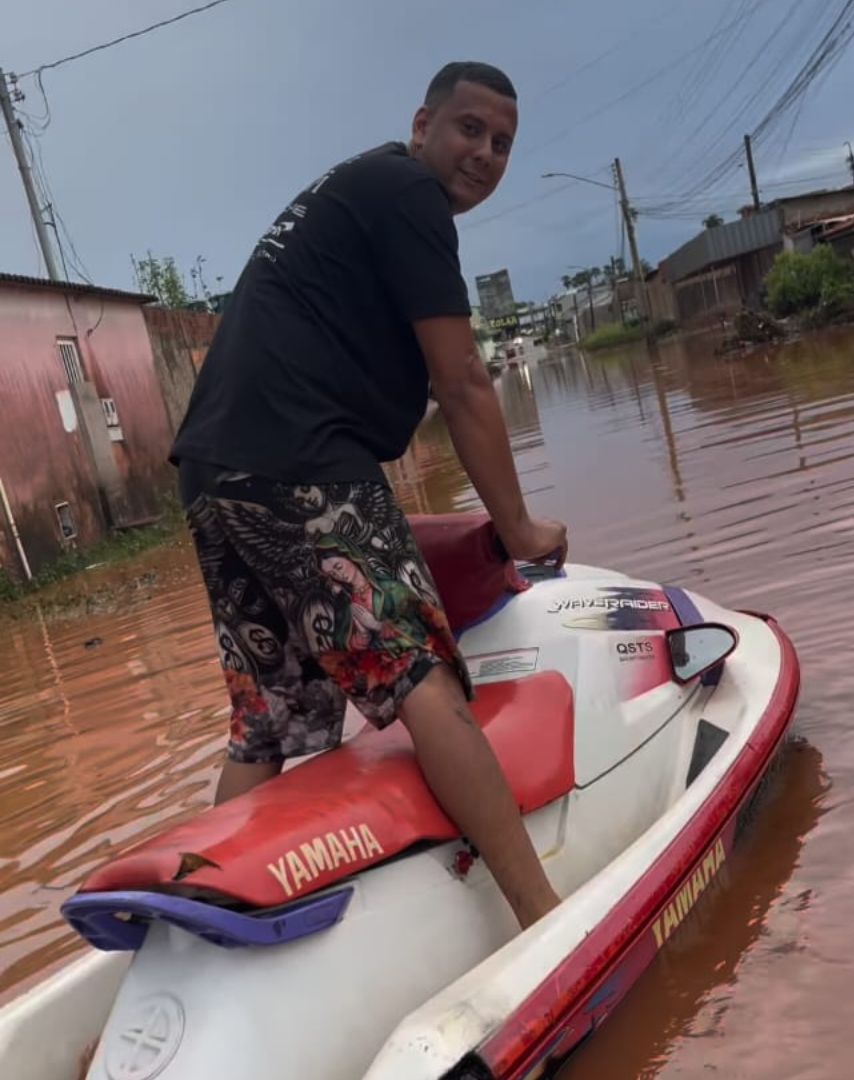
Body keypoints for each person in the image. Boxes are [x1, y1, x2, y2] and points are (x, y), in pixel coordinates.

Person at [168, 61, 562, 930]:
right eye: (470, 129)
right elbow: (462, 380)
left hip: (215, 471)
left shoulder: (363, 192)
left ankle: (189, 924)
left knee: (268, 721)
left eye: (503, 144)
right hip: (298, 461)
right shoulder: (408, 195)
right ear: (423, 124)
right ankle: (542, 914)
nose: (485, 154)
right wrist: (520, 527)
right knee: (424, 678)